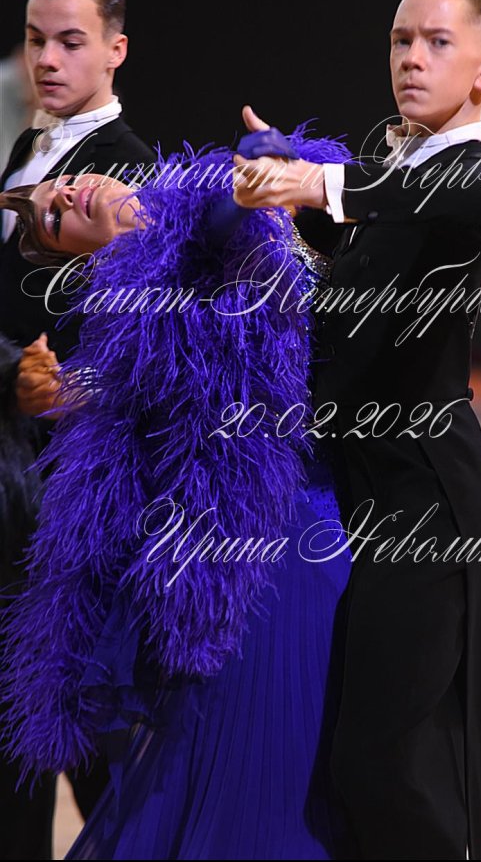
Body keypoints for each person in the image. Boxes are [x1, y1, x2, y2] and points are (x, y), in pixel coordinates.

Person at [0, 126, 358, 860]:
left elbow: (221, 212)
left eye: (60, 186)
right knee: (237, 780)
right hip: (251, 549)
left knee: (290, 771)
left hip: (311, 518)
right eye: (55, 219)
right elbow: (208, 226)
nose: (67, 196)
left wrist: (259, 164)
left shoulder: (189, 208)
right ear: (75, 254)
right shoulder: (132, 299)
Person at [232, 0, 481, 860]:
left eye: (438, 42)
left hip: (428, 499)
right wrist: (283, 174)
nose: (412, 58)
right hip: (363, 490)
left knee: (391, 764)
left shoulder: (468, 176)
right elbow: (366, 258)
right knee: (353, 760)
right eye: (401, 39)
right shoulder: (397, 173)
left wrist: (318, 184)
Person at [0, 0, 155, 854]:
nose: (48, 59)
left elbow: (137, 331)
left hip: (66, 485)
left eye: (70, 41)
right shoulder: (30, 145)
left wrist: (72, 389)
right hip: (15, 464)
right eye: (35, 39)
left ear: (116, 49)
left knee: (81, 735)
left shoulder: (127, 172)